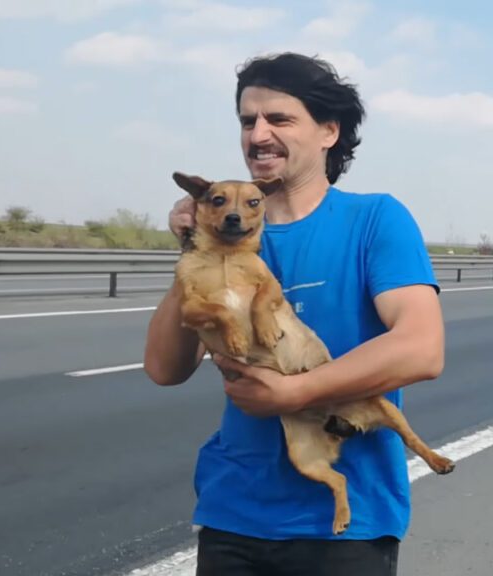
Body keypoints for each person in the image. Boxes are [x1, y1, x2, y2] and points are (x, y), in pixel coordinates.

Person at [143, 52, 445, 575]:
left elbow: (422, 347)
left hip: (345, 528)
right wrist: (193, 248)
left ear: (329, 131)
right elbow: (165, 369)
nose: (257, 135)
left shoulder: (374, 220)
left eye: (279, 119)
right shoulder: (213, 235)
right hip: (233, 514)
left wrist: (296, 392)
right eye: (247, 121)